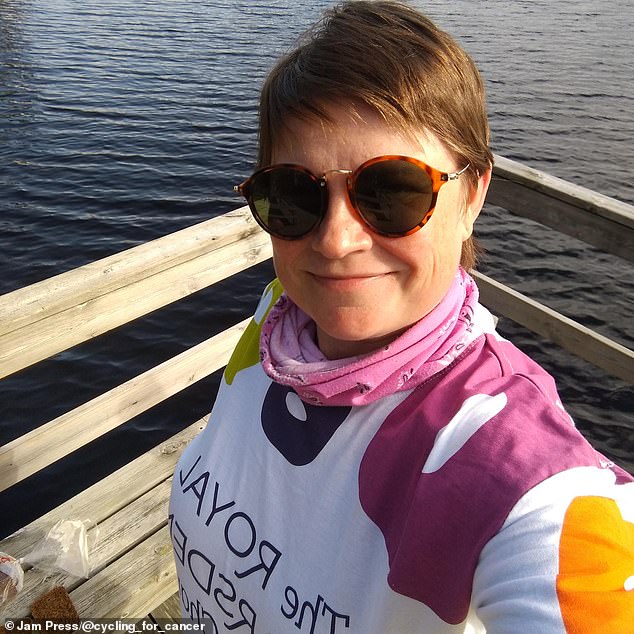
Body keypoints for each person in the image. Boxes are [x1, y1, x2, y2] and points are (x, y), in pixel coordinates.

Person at [169, 2, 634, 632]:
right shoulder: (279, 325)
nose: (335, 241)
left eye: (390, 191)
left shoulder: (515, 469)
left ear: (471, 196)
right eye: (296, 195)